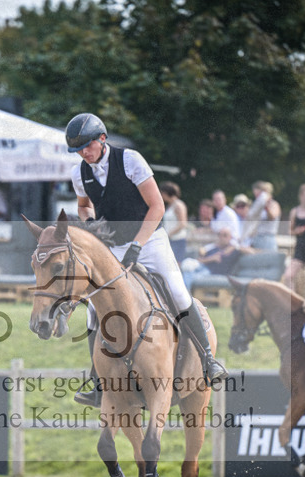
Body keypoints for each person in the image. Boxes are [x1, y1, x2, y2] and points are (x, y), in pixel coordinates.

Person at [64, 112, 227, 407]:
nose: (84, 153)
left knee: (178, 293)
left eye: (87, 146)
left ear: (102, 139)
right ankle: (97, 381)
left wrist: (137, 245)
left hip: (150, 240)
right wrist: (89, 225)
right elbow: (84, 206)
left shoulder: (130, 161)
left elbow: (157, 206)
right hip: (113, 246)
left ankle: (208, 360)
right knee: (93, 310)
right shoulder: (80, 173)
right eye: (78, 150)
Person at [242, 181, 280, 251]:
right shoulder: (258, 206)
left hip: (268, 238)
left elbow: (272, 217)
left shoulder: (274, 204)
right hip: (256, 238)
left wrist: (266, 207)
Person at [159, 181, 190, 262]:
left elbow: (182, 224)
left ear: (166, 193)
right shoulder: (170, 205)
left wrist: (169, 234)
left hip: (178, 240)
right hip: (171, 240)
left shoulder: (178, 205)